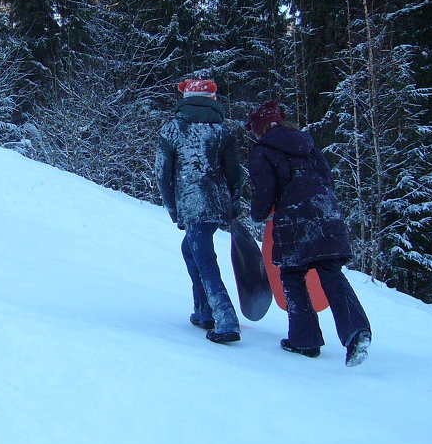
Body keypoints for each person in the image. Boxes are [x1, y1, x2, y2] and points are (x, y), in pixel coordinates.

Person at [246, 101, 372, 366]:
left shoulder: (263, 150)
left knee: (291, 275)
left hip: (294, 218)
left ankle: (305, 341)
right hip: (326, 212)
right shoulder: (308, 143)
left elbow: (264, 190)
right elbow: (327, 177)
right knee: (331, 272)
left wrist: (257, 214)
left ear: (260, 129)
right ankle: (356, 331)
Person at [155, 79, 245, 343]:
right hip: (217, 201)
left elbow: (162, 174)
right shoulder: (222, 130)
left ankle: (226, 320)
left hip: (192, 202)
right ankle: (204, 311)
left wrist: (173, 208)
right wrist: (233, 205)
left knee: (204, 259)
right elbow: (234, 174)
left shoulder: (172, 128)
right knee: (191, 250)